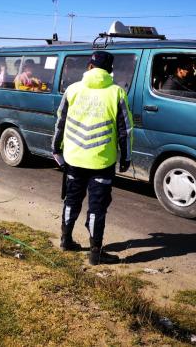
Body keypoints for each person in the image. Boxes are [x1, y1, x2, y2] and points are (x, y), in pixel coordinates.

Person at [52, 51, 133, 265]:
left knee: (71, 200)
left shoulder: (72, 90)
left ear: (89, 67)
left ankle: (66, 240)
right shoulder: (117, 93)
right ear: (109, 71)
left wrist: (55, 148)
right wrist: (126, 157)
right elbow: (125, 130)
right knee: (97, 206)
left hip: (74, 159)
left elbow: (60, 121)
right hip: (102, 162)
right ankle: (95, 253)